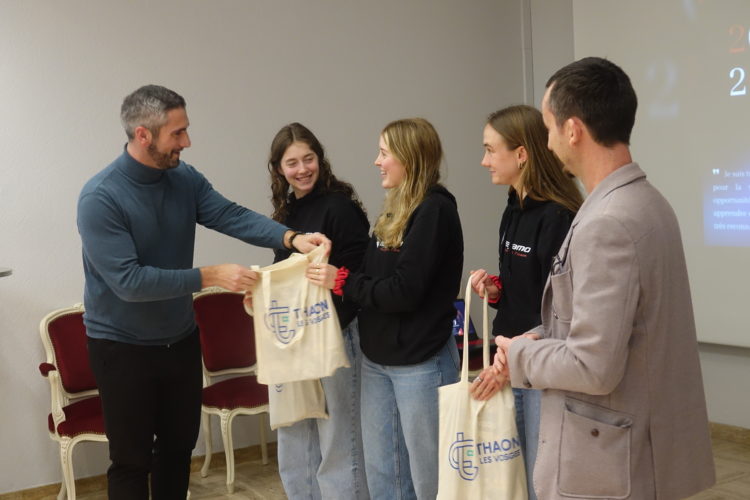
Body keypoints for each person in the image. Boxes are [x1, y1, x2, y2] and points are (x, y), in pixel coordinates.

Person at [76, 85, 328, 499]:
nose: (187, 142)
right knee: (131, 460)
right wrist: (209, 276)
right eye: (177, 133)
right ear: (143, 135)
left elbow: (229, 214)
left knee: (178, 452)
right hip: (121, 348)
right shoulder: (100, 198)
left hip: (179, 340)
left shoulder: (184, 178)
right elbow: (129, 282)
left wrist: (291, 238)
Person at [493, 57, 715, 499]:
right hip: (634, 447)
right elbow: (612, 327)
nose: (547, 142)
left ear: (573, 130)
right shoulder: (646, 201)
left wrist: (520, 355)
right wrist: (541, 335)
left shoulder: (608, 222)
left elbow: (593, 366)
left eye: (549, 127)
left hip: (611, 461)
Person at [309, 118, 463, 499]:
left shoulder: (434, 210)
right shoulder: (394, 206)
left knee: (430, 481)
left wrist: (342, 281)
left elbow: (403, 291)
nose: (377, 162)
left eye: (384, 153)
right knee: (383, 478)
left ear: (409, 158)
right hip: (376, 360)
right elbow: (369, 274)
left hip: (420, 361)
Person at [468, 104, 583, 500]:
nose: (484, 161)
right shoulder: (512, 208)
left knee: (540, 481)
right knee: (514, 480)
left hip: (541, 367)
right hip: (508, 360)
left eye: (490, 150)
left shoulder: (559, 217)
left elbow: (561, 309)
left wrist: (514, 358)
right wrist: (496, 290)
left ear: (521, 154)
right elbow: (528, 289)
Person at [262, 122, 370, 499]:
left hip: (335, 335)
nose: (302, 169)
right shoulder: (285, 214)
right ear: (279, 169)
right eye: (292, 163)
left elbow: (360, 274)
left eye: (308, 159)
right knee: (295, 438)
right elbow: (281, 273)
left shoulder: (339, 208)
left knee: (338, 441)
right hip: (295, 339)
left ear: (320, 160)